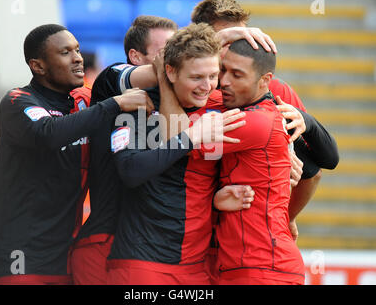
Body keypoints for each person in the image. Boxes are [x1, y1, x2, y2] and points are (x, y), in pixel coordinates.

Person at [0, 24, 154, 285]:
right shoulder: (18, 101)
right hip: (20, 258)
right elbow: (48, 133)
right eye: (65, 52)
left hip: (69, 257)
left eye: (77, 50)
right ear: (38, 66)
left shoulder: (85, 101)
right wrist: (115, 103)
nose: (77, 58)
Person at [106, 23, 253, 285]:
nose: (207, 86)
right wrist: (191, 136)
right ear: (170, 72)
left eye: (212, 76)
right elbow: (130, 171)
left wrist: (303, 124)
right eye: (196, 77)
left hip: (198, 268)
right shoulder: (139, 105)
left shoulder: (220, 109)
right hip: (143, 264)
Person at [69, 15, 178, 285]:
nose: (178, 57)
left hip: (154, 250)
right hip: (105, 244)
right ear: (136, 56)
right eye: (168, 51)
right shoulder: (112, 79)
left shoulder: (185, 101)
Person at [203, 39, 305, 284]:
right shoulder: (248, 110)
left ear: (264, 81)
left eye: (237, 75)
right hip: (247, 264)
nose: (224, 81)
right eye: (223, 70)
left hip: (264, 266)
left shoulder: (254, 123)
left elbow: (175, 144)